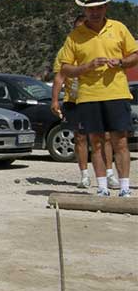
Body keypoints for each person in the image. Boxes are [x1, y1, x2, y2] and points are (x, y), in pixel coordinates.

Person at [58, 0, 138, 197]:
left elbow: (135, 55)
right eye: (90, 8)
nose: (94, 12)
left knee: (120, 141)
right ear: (85, 10)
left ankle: (124, 188)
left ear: (105, 8)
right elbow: (65, 68)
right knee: (96, 142)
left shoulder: (119, 28)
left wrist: (121, 62)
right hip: (88, 96)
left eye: (98, 7)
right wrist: (87, 67)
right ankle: (102, 187)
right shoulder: (75, 36)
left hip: (116, 92)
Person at [51, 14, 120, 189]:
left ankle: (109, 174)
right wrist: (54, 100)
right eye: (79, 27)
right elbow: (59, 77)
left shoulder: (98, 44)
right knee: (81, 138)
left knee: (104, 136)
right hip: (74, 100)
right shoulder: (65, 51)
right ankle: (84, 175)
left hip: (96, 97)